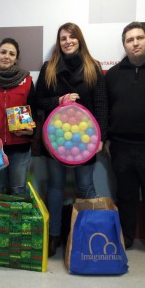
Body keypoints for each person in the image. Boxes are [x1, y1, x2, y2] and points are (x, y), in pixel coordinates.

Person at [35, 22, 108, 257]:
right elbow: (38, 102)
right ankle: (54, 235)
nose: (67, 41)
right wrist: (59, 100)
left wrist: (100, 138)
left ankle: (94, 234)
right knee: (55, 189)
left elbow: (101, 106)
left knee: (86, 187)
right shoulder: (49, 67)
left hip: (85, 143)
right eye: (63, 38)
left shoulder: (92, 67)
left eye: (72, 37)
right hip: (55, 140)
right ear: (59, 42)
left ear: (79, 39)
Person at [105, 21, 145, 249]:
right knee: (126, 198)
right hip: (121, 147)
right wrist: (107, 139)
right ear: (124, 45)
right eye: (130, 40)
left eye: (140, 38)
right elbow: (105, 109)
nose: (135, 43)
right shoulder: (112, 75)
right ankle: (126, 240)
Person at [0, 38, 36, 195]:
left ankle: (17, 220)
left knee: (18, 190)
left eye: (11, 54)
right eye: (3, 52)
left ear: (16, 59)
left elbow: (35, 112)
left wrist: (31, 131)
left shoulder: (27, 81)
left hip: (20, 147)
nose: (6, 56)